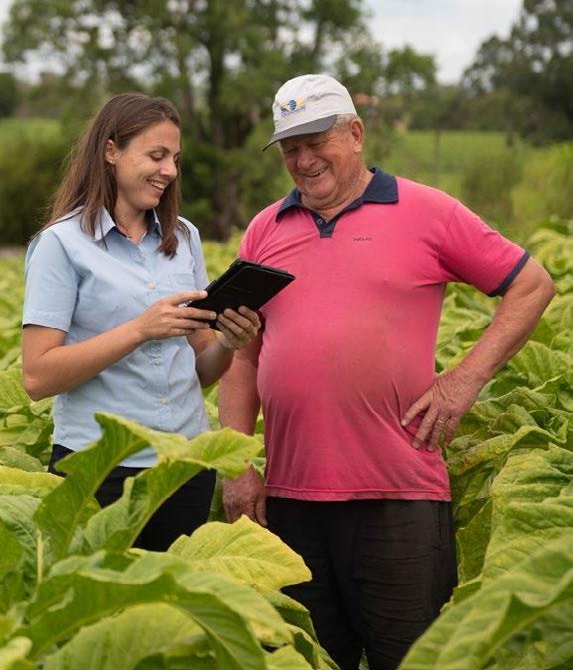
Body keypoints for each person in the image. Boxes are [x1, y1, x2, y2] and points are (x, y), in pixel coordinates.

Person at [218, 73, 555, 670]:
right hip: (291, 502)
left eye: (316, 141)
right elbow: (241, 357)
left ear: (355, 134)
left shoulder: (427, 211)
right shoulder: (265, 229)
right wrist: (238, 466)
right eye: (290, 148)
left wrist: (463, 381)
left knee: (411, 660)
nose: (303, 160)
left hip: (399, 497)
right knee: (309, 661)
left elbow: (531, 285)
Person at [22, 93, 260, 551]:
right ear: (111, 152)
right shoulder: (62, 244)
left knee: (174, 594)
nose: (169, 170)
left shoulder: (183, 238)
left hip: (183, 467)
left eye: (175, 159)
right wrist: (139, 330)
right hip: (99, 469)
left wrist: (229, 344)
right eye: (156, 155)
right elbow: (37, 377)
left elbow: (201, 370)